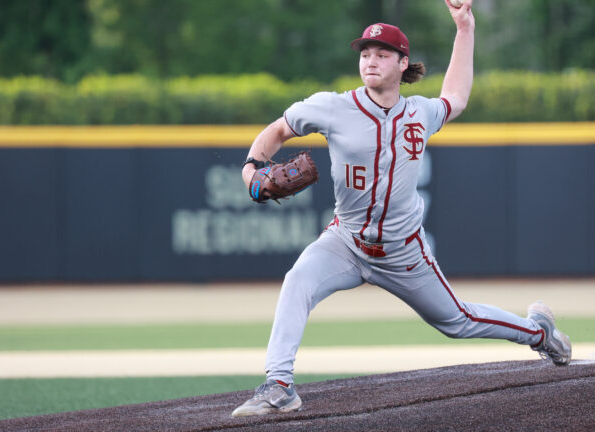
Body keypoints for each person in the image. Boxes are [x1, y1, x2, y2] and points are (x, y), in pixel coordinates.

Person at [232, 0, 571, 417]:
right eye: (365, 53)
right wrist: (251, 168)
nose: (370, 60)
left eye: (381, 54)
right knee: (297, 281)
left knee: (458, 321)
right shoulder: (332, 106)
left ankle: (539, 333)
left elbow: (456, 97)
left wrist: (465, 28)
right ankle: (279, 384)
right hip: (345, 241)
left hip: (403, 251)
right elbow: (279, 130)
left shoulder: (419, 113)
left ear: (402, 63)